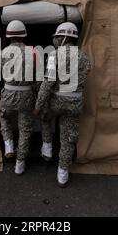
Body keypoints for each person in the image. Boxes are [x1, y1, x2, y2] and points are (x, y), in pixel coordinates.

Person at [33, 22, 92, 188]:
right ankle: (62, 173)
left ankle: (47, 149)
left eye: (58, 36)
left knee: (44, 116)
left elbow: (47, 84)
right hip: (74, 104)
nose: (56, 39)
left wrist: (38, 106)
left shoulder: (54, 56)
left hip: (56, 103)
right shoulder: (85, 58)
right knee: (68, 139)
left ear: (65, 36)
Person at [0, 20, 35, 176]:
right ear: (24, 35)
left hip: (8, 94)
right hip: (26, 95)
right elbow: (37, 77)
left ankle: (9, 146)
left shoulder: (1, 53)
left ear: (8, 36)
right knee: (25, 129)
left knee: (4, 117)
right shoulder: (33, 52)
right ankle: (20, 164)